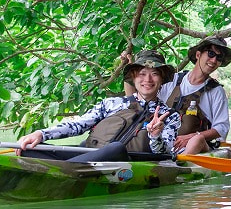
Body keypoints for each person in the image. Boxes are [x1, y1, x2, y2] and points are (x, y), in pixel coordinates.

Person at [16, 50, 181, 159]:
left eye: (154, 74)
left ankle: (66, 170)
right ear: (133, 76)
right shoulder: (111, 104)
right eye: (142, 74)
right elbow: (77, 125)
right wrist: (41, 134)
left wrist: (155, 135)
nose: (147, 80)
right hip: (90, 156)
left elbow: (165, 154)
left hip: (127, 164)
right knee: (28, 149)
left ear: (162, 79)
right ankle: (69, 169)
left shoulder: (170, 116)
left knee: (116, 148)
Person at [158, 35, 231, 155]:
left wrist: (193, 136)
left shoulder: (216, 91)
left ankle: (180, 167)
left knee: (197, 140)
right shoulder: (173, 79)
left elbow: (222, 127)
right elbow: (142, 97)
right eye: (210, 54)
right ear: (198, 55)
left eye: (219, 58)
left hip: (198, 148)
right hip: (163, 143)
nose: (214, 60)